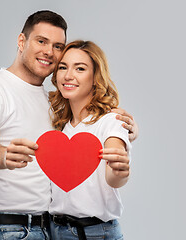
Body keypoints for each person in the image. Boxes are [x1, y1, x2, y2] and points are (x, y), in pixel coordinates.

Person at [0, 10, 138, 240]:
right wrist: (1, 155)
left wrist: (129, 133)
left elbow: (101, 153)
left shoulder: (55, 106)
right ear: (21, 41)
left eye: (58, 46)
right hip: (6, 229)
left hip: (49, 229)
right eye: (41, 41)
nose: (49, 51)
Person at [48, 40, 131, 239]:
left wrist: (120, 172)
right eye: (63, 67)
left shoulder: (111, 121)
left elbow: (114, 176)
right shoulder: (58, 127)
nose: (69, 75)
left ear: (95, 77)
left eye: (80, 68)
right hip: (55, 231)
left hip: (96, 233)